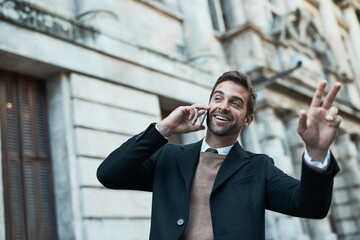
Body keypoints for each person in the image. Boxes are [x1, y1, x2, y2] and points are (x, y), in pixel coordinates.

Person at [97, 71, 342, 240]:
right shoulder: (169, 157)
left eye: (235, 103)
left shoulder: (259, 168)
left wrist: (317, 152)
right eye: (218, 98)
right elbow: (109, 174)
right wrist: (163, 130)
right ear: (208, 106)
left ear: (248, 119)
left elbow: (312, 206)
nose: (224, 106)